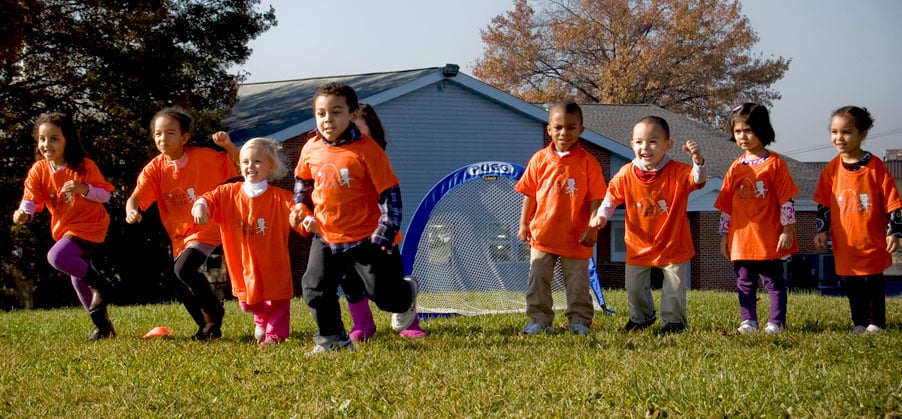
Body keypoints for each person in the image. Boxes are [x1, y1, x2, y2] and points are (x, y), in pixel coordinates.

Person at [291, 83, 419, 354]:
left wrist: (384, 234)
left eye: (336, 112)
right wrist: (300, 208)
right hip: (326, 235)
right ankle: (333, 340)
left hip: (367, 237)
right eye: (321, 113)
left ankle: (406, 294)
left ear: (352, 114)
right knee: (314, 287)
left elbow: (390, 194)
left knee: (384, 297)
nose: (327, 120)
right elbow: (303, 182)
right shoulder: (310, 148)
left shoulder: (368, 151)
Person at [125, 106, 239, 339]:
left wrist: (228, 145)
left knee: (183, 269)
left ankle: (213, 311)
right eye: (158, 134)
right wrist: (131, 210)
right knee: (174, 278)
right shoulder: (155, 169)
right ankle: (207, 327)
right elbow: (136, 197)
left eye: (170, 133)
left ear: (184, 137)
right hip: (180, 235)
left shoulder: (204, 158)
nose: (163, 139)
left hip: (209, 226)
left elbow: (238, 164)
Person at [589, 116, 706, 334]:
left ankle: (673, 322)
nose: (645, 147)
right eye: (639, 142)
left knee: (674, 288)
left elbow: (697, 180)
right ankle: (641, 317)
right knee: (634, 287)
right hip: (638, 244)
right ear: (632, 144)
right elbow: (611, 197)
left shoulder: (677, 171)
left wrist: (698, 161)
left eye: (653, 141)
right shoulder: (626, 173)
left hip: (672, 243)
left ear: (667, 145)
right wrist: (601, 216)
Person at [12, 112, 118, 339]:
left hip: (91, 225)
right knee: (78, 279)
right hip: (66, 228)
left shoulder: (83, 166)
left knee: (57, 257)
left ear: (67, 140)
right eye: (42, 139)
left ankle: (103, 285)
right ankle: (103, 327)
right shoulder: (39, 170)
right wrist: (23, 213)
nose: (46, 144)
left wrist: (84, 189)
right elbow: (30, 198)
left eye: (54, 139)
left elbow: (106, 195)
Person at [192, 137, 299, 347]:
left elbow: (298, 211)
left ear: (270, 166)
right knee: (247, 302)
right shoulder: (228, 193)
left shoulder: (280, 198)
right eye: (245, 162)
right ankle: (261, 317)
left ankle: (274, 336)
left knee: (278, 300)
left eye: (257, 161)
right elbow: (207, 198)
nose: (251, 166)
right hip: (241, 263)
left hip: (273, 261)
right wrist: (200, 206)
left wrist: (302, 218)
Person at [515, 102, 606, 336]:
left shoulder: (588, 163)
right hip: (543, 235)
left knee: (577, 283)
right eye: (558, 127)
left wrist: (592, 228)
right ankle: (539, 320)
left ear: (581, 130)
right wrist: (524, 224)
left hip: (576, 238)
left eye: (570, 127)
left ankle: (579, 321)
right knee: (537, 279)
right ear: (549, 130)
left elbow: (596, 199)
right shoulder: (539, 160)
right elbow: (529, 194)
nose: (564, 132)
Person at [341, 102, 426, 342]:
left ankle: (407, 301)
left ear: (371, 131)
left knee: (382, 288)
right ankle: (363, 323)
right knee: (349, 280)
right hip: (343, 234)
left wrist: (385, 230)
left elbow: (389, 196)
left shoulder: (376, 158)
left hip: (378, 235)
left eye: (357, 128)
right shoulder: (332, 158)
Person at [813, 106, 902, 334]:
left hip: (872, 241)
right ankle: (859, 323)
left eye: (846, 132)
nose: (839, 138)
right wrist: (822, 230)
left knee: (873, 283)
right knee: (851, 283)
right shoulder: (831, 170)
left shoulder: (876, 168)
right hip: (845, 243)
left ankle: (876, 323)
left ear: (862, 134)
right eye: (834, 132)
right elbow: (823, 204)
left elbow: (893, 202)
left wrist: (895, 232)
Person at [714, 103, 798, 335]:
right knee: (744, 282)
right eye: (737, 131)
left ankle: (776, 322)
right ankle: (748, 321)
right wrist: (724, 236)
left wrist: (787, 230)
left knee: (773, 282)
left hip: (768, 237)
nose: (742, 136)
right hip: (741, 239)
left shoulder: (776, 164)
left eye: (748, 130)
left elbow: (787, 200)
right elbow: (726, 206)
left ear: (762, 129)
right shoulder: (735, 167)